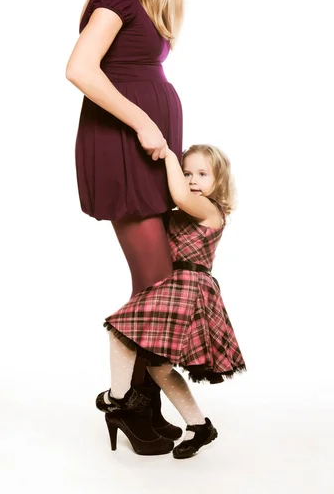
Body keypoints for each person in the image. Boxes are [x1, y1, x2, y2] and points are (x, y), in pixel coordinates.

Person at [65, 0, 196, 454]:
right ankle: (126, 404)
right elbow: (80, 68)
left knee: (156, 283)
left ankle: (141, 403)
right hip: (122, 149)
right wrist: (145, 121)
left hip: (145, 154)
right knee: (157, 286)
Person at [96, 144, 246, 459]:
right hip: (171, 284)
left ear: (219, 180)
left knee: (120, 329)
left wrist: (167, 156)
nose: (192, 180)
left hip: (188, 287)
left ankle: (118, 398)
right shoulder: (183, 212)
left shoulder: (211, 209)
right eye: (187, 172)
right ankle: (200, 425)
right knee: (159, 368)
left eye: (202, 174)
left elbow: (178, 196)